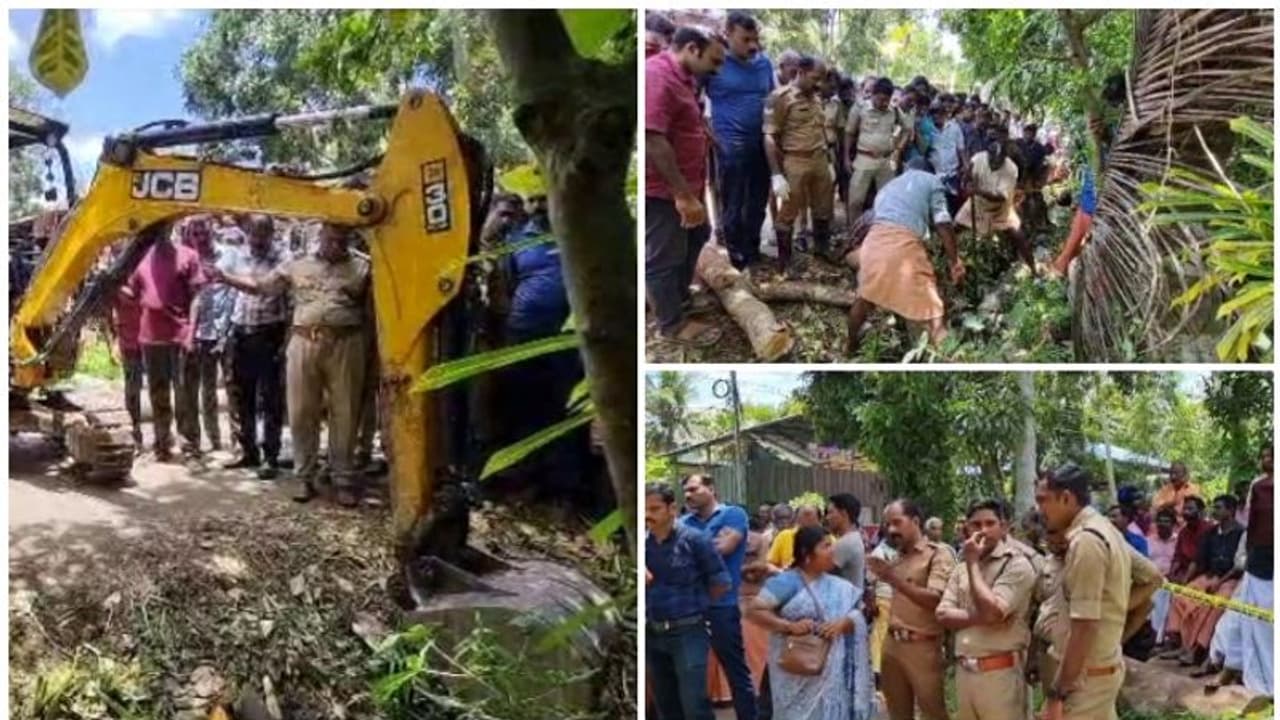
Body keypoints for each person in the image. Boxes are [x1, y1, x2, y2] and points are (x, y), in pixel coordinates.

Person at [212, 223, 372, 507]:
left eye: (341, 239)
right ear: (320, 236)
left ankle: (343, 479)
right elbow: (263, 288)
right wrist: (225, 278)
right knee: (301, 411)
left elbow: (374, 311)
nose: (336, 244)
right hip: (303, 342)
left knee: (345, 412)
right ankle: (305, 477)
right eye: (331, 238)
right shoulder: (296, 264)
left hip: (347, 343)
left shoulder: (363, 266)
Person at [646, 26, 724, 349]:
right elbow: (653, 137)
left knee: (698, 235)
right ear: (692, 49)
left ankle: (678, 299)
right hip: (664, 191)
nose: (717, 70)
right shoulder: (657, 76)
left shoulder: (687, 79)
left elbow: (686, 122)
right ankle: (671, 324)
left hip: (689, 186)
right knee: (665, 256)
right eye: (714, 61)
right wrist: (681, 194)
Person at [1034, 464, 1131, 720]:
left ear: (1066, 497)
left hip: (1085, 681)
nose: (1039, 509)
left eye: (1043, 500)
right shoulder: (1106, 530)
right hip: (1098, 670)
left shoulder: (1086, 541)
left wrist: (1058, 693)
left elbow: (1085, 624)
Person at [845, 160, 965, 355]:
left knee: (865, 298)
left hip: (873, 243)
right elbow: (943, 222)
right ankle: (949, 358)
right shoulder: (932, 180)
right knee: (934, 313)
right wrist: (954, 261)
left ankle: (849, 347)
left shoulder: (889, 186)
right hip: (901, 245)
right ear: (928, 171)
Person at [935, 499, 1039, 720]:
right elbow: (943, 614)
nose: (982, 530)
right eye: (976, 524)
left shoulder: (1016, 565)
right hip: (964, 674)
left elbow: (993, 612)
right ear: (967, 528)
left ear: (1003, 527)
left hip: (1000, 675)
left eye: (990, 523)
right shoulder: (960, 569)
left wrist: (973, 563)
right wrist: (984, 616)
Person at [746, 526, 863, 720]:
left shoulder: (839, 585)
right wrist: (788, 626)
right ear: (806, 553)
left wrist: (842, 624)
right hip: (794, 671)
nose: (832, 550)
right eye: (825, 546)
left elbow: (859, 615)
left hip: (830, 671)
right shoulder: (787, 582)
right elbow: (754, 611)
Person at [646, 483, 729, 720]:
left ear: (672, 508)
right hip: (653, 631)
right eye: (644, 509)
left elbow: (720, 581)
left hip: (688, 630)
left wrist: (697, 608)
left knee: (694, 705)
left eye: (654, 509)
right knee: (666, 704)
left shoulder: (695, 541)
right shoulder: (642, 545)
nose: (648, 515)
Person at [126, 222, 207, 462]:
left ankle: (190, 446)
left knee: (185, 394)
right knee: (157, 392)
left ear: (170, 229)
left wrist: (191, 332)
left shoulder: (188, 255)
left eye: (163, 229)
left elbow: (197, 298)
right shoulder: (141, 258)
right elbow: (134, 292)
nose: (158, 234)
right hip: (150, 337)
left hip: (179, 336)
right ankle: (162, 443)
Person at [866, 499, 954, 720]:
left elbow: (936, 599)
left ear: (915, 521)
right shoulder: (897, 557)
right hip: (892, 644)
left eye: (897, 522)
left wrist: (892, 578)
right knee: (896, 712)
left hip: (923, 646)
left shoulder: (937, 554)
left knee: (932, 712)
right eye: (887, 524)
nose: (892, 529)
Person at [680, 475, 756, 720]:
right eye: (685, 492)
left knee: (736, 671)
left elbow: (724, 550)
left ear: (711, 488)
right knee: (691, 674)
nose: (688, 495)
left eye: (694, 489)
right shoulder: (682, 522)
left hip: (722, 607)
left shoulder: (733, 515)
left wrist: (688, 552)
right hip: (689, 609)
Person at [220, 214, 290, 479]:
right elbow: (215, 274)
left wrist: (226, 278)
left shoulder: (283, 258)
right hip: (240, 331)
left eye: (263, 233)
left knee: (270, 398)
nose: (257, 239)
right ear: (247, 232)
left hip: (269, 333)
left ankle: (270, 456)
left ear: (271, 233)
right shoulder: (237, 255)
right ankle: (248, 451)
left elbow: (262, 288)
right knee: (241, 395)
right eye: (253, 233)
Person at [706, 11, 773, 270]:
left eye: (755, 39)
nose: (752, 45)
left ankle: (753, 249)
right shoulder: (715, 63)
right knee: (733, 203)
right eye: (745, 39)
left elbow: (772, 100)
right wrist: (711, 135)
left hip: (760, 145)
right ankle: (736, 256)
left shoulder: (764, 64)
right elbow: (693, 100)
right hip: (729, 147)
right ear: (728, 34)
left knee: (757, 201)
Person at [1210, 444, 1273, 693]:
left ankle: (1265, 681)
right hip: (1259, 560)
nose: (1266, 460)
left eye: (1271, 456)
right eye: (1264, 456)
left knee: (1265, 624)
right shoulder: (1258, 487)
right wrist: (1251, 554)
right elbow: (1255, 524)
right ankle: (1230, 669)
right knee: (1239, 618)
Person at [764, 55, 835, 267]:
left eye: (822, 79)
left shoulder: (816, 97)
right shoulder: (780, 97)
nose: (819, 84)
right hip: (795, 161)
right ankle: (785, 261)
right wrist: (776, 174)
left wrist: (828, 158)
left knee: (823, 209)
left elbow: (819, 128)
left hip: (819, 160)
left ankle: (822, 252)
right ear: (801, 73)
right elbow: (769, 136)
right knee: (788, 212)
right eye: (815, 78)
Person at [1163, 494, 1245, 667]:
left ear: (1230, 511)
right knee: (1182, 597)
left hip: (1230, 581)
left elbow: (1239, 566)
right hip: (1209, 575)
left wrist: (1220, 581)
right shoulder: (1211, 533)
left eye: (1218, 507)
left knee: (1212, 605)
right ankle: (1178, 643)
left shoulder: (1241, 533)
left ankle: (1196, 650)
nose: (1214, 511)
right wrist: (1186, 582)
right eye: (1214, 507)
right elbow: (1198, 560)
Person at [182, 216, 234, 452]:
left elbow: (236, 293)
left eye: (204, 233)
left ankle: (234, 442)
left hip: (226, 332)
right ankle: (202, 441)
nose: (200, 239)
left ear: (212, 231)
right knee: (201, 390)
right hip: (199, 334)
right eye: (195, 234)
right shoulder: (188, 260)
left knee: (233, 391)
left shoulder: (229, 256)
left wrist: (227, 332)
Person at [957, 131, 1035, 274]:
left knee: (1018, 236)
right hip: (977, 204)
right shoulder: (978, 159)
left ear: (1004, 157)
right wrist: (965, 179)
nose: (995, 163)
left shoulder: (1011, 169)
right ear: (988, 154)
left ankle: (1033, 269)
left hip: (1000, 210)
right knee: (955, 227)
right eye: (992, 159)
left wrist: (977, 190)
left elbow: (1001, 197)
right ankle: (948, 261)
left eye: (998, 160)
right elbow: (967, 177)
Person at [843, 78, 908, 222]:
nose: (884, 103)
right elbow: (849, 133)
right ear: (873, 94)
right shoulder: (860, 108)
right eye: (880, 99)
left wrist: (898, 149)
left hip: (886, 161)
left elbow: (907, 129)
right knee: (856, 201)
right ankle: (854, 232)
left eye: (887, 100)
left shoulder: (894, 111)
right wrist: (846, 158)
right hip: (864, 159)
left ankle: (880, 232)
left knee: (886, 200)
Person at [110, 282, 145, 448]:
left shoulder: (142, 273)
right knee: (132, 389)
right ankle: (134, 432)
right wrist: (114, 340)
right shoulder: (116, 280)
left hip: (149, 338)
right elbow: (110, 311)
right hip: (130, 341)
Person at [927, 101, 967, 216]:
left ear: (945, 115)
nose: (936, 116)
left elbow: (961, 149)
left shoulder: (954, 128)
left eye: (939, 113)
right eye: (934, 114)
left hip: (952, 173)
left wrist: (965, 166)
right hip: (933, 173)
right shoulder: (928, 129)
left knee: (952, 201)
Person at [1147, 508, 1179, 645]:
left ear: (1173, 524)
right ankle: (1154, 634)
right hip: (1150, 579)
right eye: (1159, 521)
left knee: (1164, 593)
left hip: (1172, 580)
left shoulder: (1178, 541)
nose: (1162, 524)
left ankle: (1160, 636)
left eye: (1166, 521)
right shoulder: (1148, 540)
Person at [766, 503, 822, 570]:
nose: (807, 519)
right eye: (804, 514)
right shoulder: (784, 536)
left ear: (819, 520)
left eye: (809, 515)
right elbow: (769, 564)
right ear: (796, 518)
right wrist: (781, 572)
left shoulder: (827, 538)